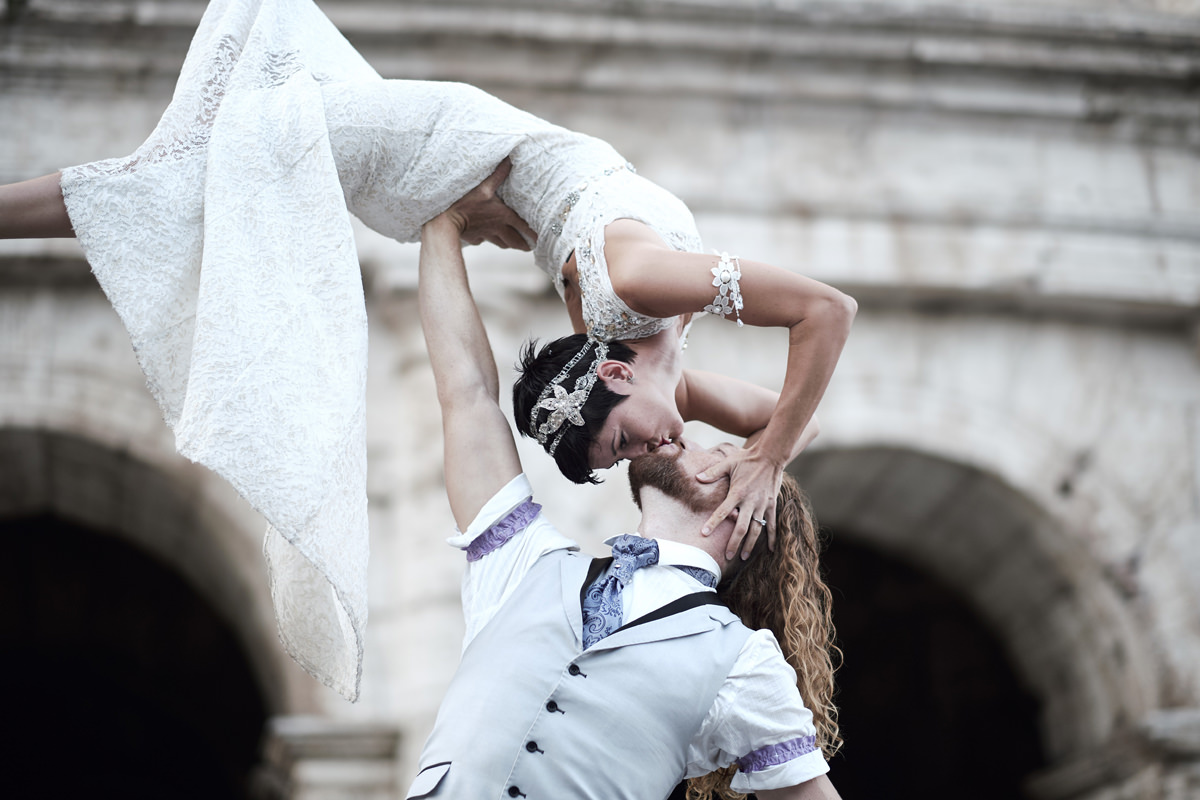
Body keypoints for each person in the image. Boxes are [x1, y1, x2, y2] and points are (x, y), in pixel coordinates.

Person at [0, 0, 854, 700]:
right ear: (614, 372)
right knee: (180, 184)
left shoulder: (644, 340)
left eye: (625, 446)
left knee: (186, 182)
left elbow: (789, 414)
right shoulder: (634, 286)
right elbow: (825, 313)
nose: (656, 449)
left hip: (445, 168)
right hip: (447, 146)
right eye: (630, 443)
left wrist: (762, 456)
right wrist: (765, 461)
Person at [412, 184, 842, 800]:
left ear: (749, 513)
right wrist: (441, 225)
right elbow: (467, 393)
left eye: (717, 451)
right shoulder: (522, 563)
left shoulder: (743, 664)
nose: (678, 440)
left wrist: (766, 456)